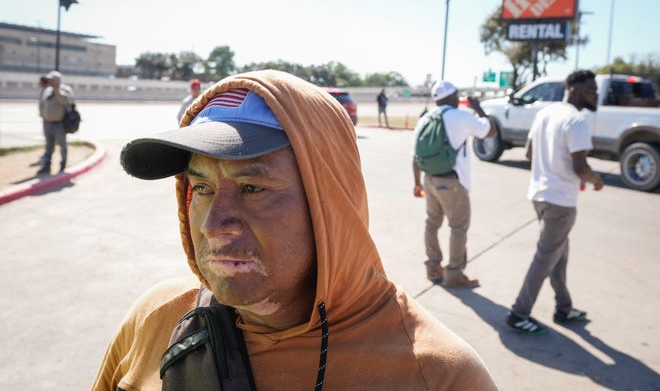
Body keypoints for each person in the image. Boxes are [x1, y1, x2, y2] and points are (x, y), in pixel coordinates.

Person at [91, 70, 498, 391]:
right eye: (201, 188)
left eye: (252, 188)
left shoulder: (439, 375)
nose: (215, 225)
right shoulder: (157, 318)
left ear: (330, 203)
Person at [506, 69, 604, 334]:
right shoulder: (577, 120)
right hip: (560, 201)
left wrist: (548, 165)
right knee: (545, 258)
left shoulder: (545, 113)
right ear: (574, 90)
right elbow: (580, 167)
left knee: (558, 255)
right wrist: (596, 180)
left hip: (539, 195)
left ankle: (564, 308)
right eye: (591, 90)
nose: (596, 94)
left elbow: (528, 153)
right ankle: (518, 312)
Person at [412, 81, 495, 288]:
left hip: (429, 179)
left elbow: (415, 155)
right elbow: (489, 132)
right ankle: (454, 273)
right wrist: (478, 108)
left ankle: (432, 267)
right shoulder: (461, 116)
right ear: (452, 97)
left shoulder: (425, 119)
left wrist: (417, 183)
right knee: (458, 226)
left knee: (432, 223)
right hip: (452, 183)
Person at [38, 71, 73, 174]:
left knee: (62, 146)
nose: (50, 82)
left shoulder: (65, 90)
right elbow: (43, 105)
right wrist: (44, 118)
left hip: (60, 124)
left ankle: (63, 164)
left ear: (58, 80)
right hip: (48, 124)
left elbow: (65, 101)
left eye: (52, 80)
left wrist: (57, 89)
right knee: (49, 146)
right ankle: (47, 165)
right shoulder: (47, 91)